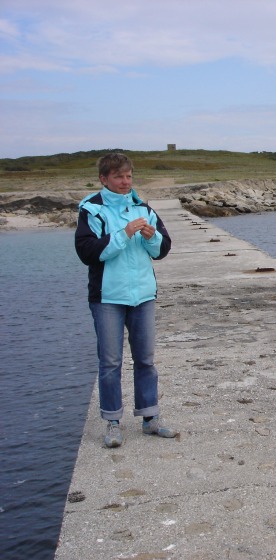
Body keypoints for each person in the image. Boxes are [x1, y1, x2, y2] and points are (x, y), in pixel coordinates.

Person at [75, 153, 176, 448]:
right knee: (110, 362)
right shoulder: (91, 210)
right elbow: (88, 252)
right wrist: (123, 234)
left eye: (129, 176)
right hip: (107, 298)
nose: (125, 182)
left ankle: (150, 419)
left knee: (145, 360)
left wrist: (150, 235)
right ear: (104, 179)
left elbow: (161, 249)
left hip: (142, 295)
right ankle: (112, 423)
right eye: (119, 177)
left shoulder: (143, 208)